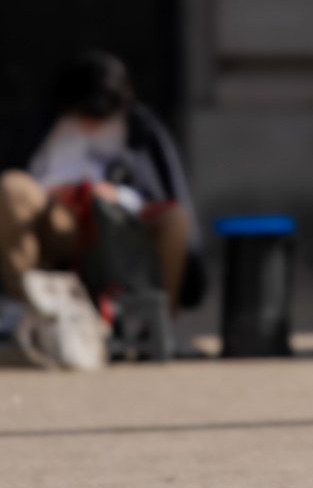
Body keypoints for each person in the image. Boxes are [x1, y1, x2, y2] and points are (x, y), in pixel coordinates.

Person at [0, 50, 200, 320]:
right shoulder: (41, 124)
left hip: (121, 226)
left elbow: (158, 191)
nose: (92, 121)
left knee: (176, 218)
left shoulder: (140, 127)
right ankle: (27, 307)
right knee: (11, 187)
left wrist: (118, 195)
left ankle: (158, 324)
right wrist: (55, 193)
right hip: (56, 222)